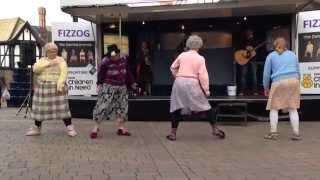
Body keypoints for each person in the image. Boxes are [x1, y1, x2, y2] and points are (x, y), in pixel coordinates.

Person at [166, 35, 225, 141]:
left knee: (176, 107)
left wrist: (178, 77)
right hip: (192, 82)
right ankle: (215, 129)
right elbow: (203, 75)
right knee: (206, 106)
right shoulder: (200, 58)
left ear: (188, 44)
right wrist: (206, 90)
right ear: (199, 46)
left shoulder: (182, 55)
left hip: (179, 82)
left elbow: (172, 67)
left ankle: (173, 133)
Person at [26, 42, 77, 137]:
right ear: (46, 52)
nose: (53, 53)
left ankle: (70, 128)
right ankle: (37, 128)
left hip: (57, 87)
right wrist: (48, 64)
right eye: (51, 51)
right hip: (43, 87)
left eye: (55, 51)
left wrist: (60, 84)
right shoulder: (42, 60)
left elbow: (64, 72)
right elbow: (35, 69)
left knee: (63, 109)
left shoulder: (61, 60)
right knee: (40, 109)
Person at [90, 44, 137, 139]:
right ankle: (96, 128)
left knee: (123, 107)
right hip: (109, 87)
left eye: (114, 55)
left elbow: (128, 72)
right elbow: (101, 74)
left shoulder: (124, 59)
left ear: (118, 53)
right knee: (102, 106)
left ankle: (121, 128)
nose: (113, 57)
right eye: (111, 56)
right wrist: (99, 84)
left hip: (122, 87)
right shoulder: (106, 61)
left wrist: (132, 82)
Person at [263, 37, 301, 141]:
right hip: (294, 81)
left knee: (274, 108)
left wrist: (266, 87)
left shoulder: (271, 56)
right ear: (286, 45)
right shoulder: (293, 54)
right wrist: (298, 82)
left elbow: (266, 74)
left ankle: (273, 133)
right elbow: (298, 70)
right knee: (293, 108)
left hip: (279, 82)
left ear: (275, 45)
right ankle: (296, 134)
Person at [238, 29, 259, 96]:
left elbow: (258, 50)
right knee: (243, 75)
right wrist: (245, 48)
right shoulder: (243, 40)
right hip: (245, 59)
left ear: (251, 33)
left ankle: (255, 91)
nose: (247, 33)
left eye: (249, 32)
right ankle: (242, 91)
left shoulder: (255, 40)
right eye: (247, 32)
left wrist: (252, 49)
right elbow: (239, 49)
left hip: (253, 59)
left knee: (254, 76)